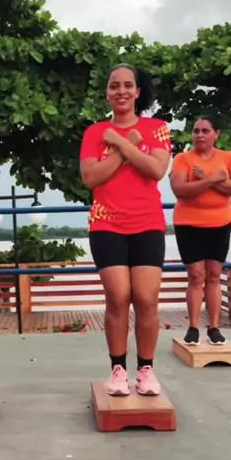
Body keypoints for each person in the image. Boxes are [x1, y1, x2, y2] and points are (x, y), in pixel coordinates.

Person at [80, 64, 172, 397]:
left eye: (127, 85)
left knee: (146, 299)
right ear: (107, 93)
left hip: (147, 222)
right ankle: (118, 369)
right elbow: (92, 177)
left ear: (137, 92)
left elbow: (156, 169)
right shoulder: (95, 132)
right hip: (106, 223)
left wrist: (122, 143)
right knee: (118, 297)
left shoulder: (157, 128)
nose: (121, 91)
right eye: (114, 86)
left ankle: (146, 369)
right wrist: (125, 148)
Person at [170, 115, 231, 345]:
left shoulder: (230, 158)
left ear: (216, 134)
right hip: (188, 224)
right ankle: (193, 327)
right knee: (196, 276)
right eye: (196, 131)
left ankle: (214, 327)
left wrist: (206, 180)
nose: (200, 135)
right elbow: (180, 190)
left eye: (205, 130)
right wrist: (213, 179)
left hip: (220, 224)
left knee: (213, 276)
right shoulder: (183, 159)